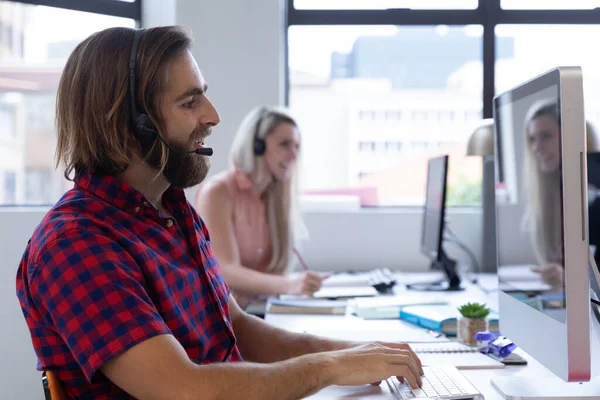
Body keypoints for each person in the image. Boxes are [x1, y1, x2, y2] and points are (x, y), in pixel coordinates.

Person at [15, 26, 423, 399]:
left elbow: (239, 330)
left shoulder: (173, 213)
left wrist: (358, 354)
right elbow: (185, 390)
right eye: (190, 102)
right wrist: (332, 367)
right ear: (128, 124)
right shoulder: (76, 243)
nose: (213, 116)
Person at [195, 106, 325, 309]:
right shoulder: (218, 192)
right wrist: (289, 284)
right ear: (256, 146)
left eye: (297, 146)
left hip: (259, 310)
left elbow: (274, 271)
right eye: (285, 144)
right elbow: (224, 269)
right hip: (225, 316)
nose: (293, 155)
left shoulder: (275, 197)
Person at [521, 99, 598, 287]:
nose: (536, 148)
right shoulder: (551, 194)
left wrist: (571, 282)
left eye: (546, 136)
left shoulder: (594, 198)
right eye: (532, 139)